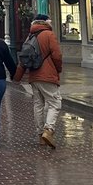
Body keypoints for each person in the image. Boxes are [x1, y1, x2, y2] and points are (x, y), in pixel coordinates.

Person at [13, 14, 63, 148]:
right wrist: (58, 69)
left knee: (38, 104)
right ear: (47, 22)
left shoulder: (30, 36)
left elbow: (23, 59)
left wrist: (17, 77)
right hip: (48, 75)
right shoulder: (48, 34)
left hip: (34, 76)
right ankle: (49, 130)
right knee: (55, 103)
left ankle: (40, 135)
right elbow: (57, 55)